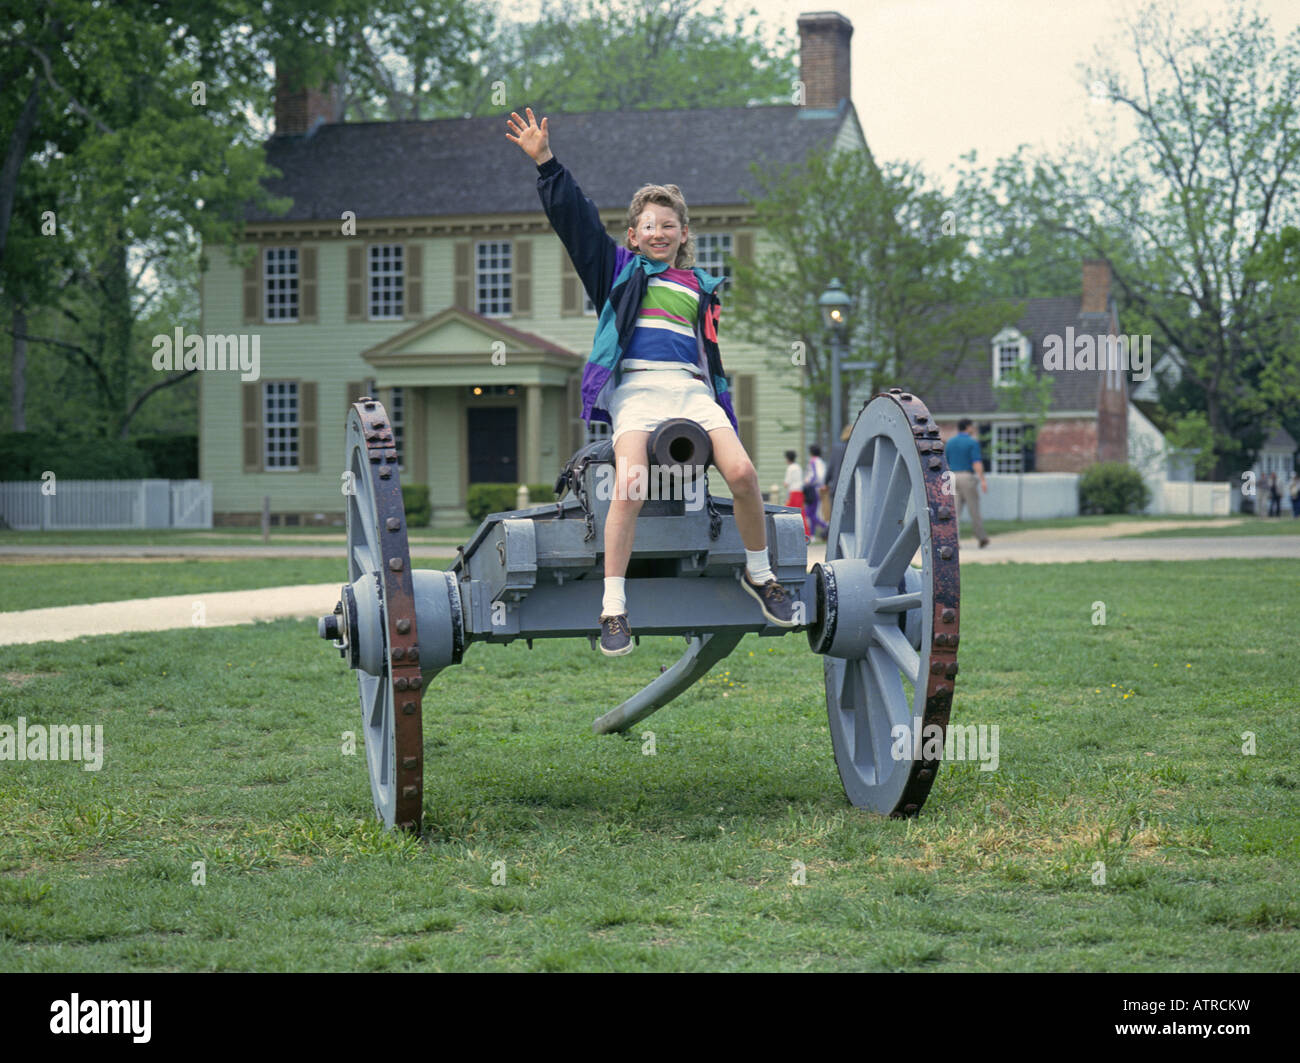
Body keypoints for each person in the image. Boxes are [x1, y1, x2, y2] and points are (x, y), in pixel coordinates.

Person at [506, 108, 797, 656]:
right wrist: (546, 163)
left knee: (742, 473)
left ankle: (761, 574)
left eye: (669, 225)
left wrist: (717, 406)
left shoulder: (699, 287)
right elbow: (579, 224)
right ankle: (614, 607)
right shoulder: (618, 272)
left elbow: (708, 360)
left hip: (690, 390)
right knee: (631, 483)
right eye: (648, 226)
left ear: (684, 233)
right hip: (637, 390)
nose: (658, 233)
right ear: (633, 236)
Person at [947, 418, 990, 547]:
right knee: (974, 508)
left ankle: (954, 540)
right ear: (967, 427)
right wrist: (982, 480)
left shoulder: (949, 443)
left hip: (951, 477)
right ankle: (981, 537)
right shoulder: (972, 442)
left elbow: (946, 462)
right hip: (966, 476)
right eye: (972, 427)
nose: (973, 429)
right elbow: (976, 462)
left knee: (953, 511)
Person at [805, 445, 828, 540]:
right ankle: (812, 535)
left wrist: (807, 482)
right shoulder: (821, 461)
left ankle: (825, 526)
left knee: (809, 513)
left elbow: (815, 475)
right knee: (813, 512)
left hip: (813, 488)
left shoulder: (813, 461)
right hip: (820, 487)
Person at [783, 450, 809, 535]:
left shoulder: (790, 468)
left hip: (793, 493)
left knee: (786, 512)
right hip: (800, 492)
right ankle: (805, 533)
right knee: (801, 514)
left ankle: (787, 532)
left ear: (787, 458)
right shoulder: (798, 467)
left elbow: (786, 483)